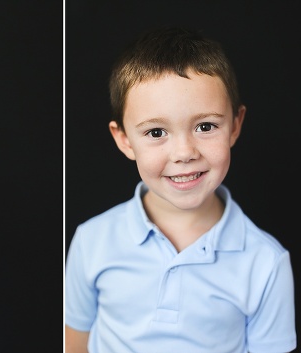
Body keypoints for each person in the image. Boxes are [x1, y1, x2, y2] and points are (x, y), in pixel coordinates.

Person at [64, 26, 296, 353]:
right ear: (124, 140)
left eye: (205, 126)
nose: (185, 152)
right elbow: (74, 343)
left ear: (235, 125)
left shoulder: (266, 263)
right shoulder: (92, 240)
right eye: (157, 132)